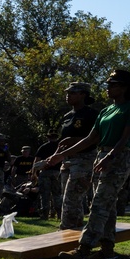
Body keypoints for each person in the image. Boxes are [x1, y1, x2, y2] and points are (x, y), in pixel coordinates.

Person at [47, 69, 130, 259]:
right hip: (102, 155)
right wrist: (61, 155)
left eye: (112, 85)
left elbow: (126, 137)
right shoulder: (107, 110)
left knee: (99, 203)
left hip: (118, 156)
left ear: (124, 88)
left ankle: (84, 249)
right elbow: (91, 138)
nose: (107, 88)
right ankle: (107, 250)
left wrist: (110, 157)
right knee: (108, 204)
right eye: (108, 84)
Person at [55, 82, 100, 230]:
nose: (68, 95)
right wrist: (56, 156)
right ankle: (75, 231)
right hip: (67, 161)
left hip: (84, 160)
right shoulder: (67, 116)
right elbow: (63, 141)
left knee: (72, 198)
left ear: (83, 95)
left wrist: (74, 141)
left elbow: (96, 138)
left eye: (73, 93)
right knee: (68, 199)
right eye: (68, 92)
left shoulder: (92, 115)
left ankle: (66, 231)